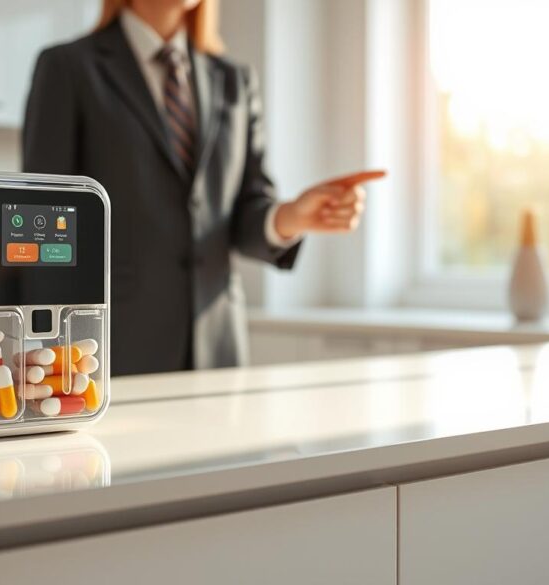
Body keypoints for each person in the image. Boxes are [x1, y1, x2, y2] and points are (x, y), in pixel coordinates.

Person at [23, 0, 385, 375]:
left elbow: (245, 208)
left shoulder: (234, 79)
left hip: (219, 345)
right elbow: (47, 218)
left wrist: (292, 216)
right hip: (109, 348)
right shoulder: (67, 67)